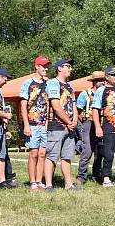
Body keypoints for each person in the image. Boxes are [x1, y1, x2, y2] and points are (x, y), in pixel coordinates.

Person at [44, 59, 78, 190]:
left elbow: (73, 105)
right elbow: (56, 106)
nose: (70, 69)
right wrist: (69, 122)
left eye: (70, 66)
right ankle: (48, 184)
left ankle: (68, 184)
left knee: (67, 156)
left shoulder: (70, 86)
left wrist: (74, 121)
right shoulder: (53, 83)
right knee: (52, 155)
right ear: (59, 68)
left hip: (70, 127)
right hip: (56, 126)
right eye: (67, 66)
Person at [20, 55, 51, 190]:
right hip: (32, 123)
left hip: (44, 124)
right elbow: (23, 105)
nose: (46, 68)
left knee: (43, 154)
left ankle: (39, 181)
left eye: (47, 66)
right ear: (36, 66)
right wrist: (26, 124)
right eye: (43, 66)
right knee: (33, 153)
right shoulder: (28, 83)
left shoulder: (49, 83)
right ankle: (32, 181)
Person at [75, 70, 106, 185]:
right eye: (100, 80)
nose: (102, 83)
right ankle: (81, 176)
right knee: (87, 152)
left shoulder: (106, 94)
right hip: (88, 124)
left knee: (101, 152)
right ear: (94, 82)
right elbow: (77, 110)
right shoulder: (85, 94)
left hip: (103, 124)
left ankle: (97, 175)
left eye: (103, 80)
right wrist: (81, 124)